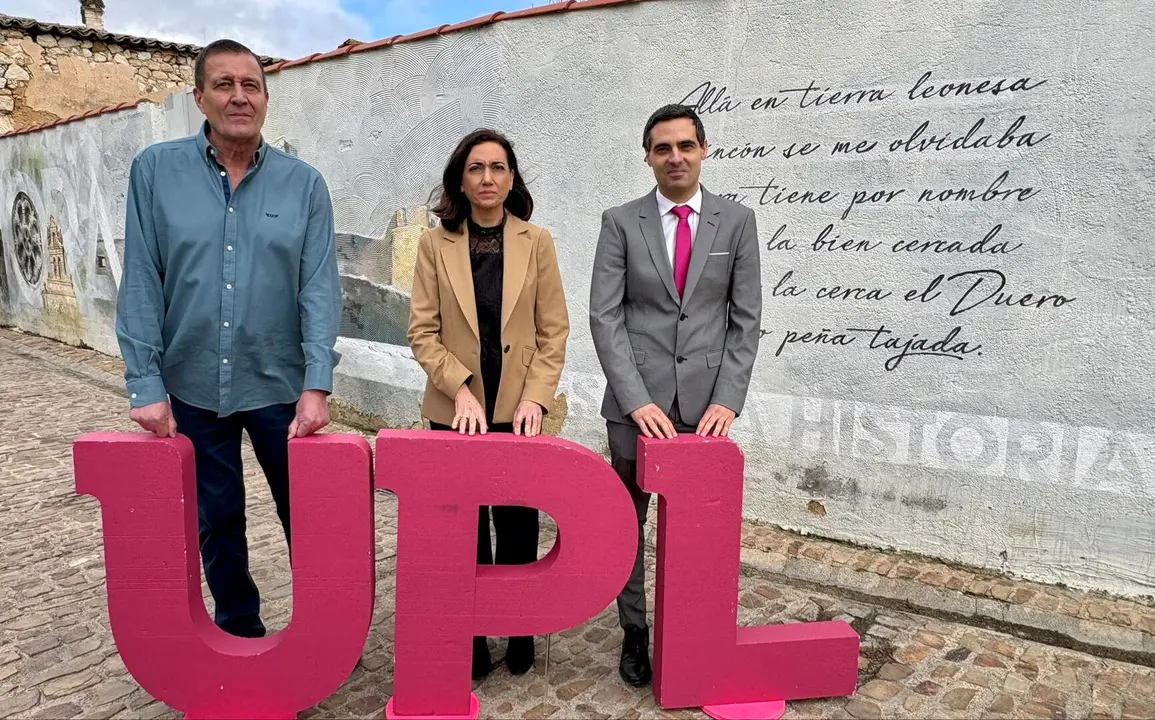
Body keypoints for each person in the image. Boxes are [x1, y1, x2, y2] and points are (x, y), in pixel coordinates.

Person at [115, 39, 342, 638]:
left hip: (281, 388)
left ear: (266, 98)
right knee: (217, 519)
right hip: (190, 384)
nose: (239, 96)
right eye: (224, 84)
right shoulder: (155, 173)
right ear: (200, 98)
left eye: (251, 85)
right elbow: (141, 276)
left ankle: (321, 634)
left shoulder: (305, 185)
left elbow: (318, 290)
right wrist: (145, 383)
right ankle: (239, 631)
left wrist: (318, 385)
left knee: (309, 518)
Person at [589, 104, 762, 687]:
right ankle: (634, 631)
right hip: (636, 412)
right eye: (663, 148)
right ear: (648, 156)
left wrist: (729, 399)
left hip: (706, 411)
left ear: (704, 149)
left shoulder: (736, 223)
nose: (675, 157)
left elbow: (746, 320)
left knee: (697, 533)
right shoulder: (619, 222)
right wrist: (636, 401)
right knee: (626, 525)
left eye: (685, 145)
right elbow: (605, 317)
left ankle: (690, 631)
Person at [407, 129, 570, 678]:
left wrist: (536, 398)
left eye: (498, 168)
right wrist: (457, 388)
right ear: (461, 177)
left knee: (518, 526)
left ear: (511, 177)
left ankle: (519, 627)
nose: (487, 179)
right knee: (463, 529)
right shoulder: (435, 244)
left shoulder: (537, 241)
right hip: (454, 411)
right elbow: (422, 333)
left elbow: (554, 332)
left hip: (517, 410)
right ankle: (471, 637)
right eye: (476, 168)